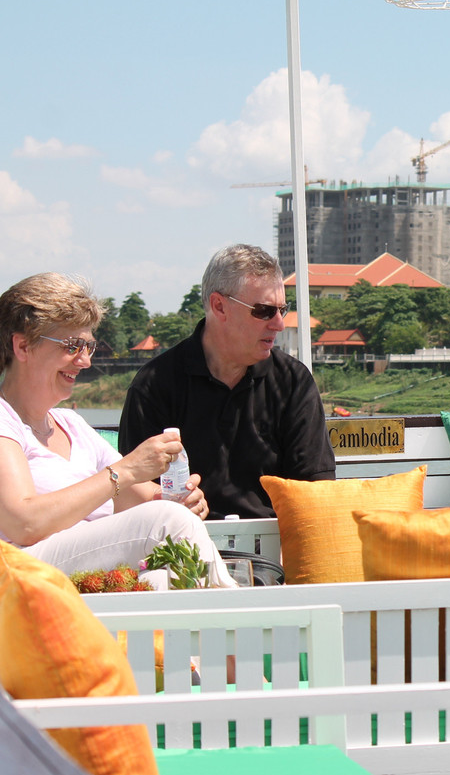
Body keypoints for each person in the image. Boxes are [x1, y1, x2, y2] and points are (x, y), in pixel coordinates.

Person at [0, 273, 236, 588]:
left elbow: (143, 502)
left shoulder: (72, 426)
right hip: (23, 576)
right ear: (23, 346)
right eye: (72, 346)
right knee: (167, 522)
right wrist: (123, 472)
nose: (84, 361)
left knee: (161, 573)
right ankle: (240, 615)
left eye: (89, 346)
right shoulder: (5, 419)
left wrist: (179, 499)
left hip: (83, 578)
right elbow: (23, 524)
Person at [119, 244, 336, 519]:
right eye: (265, 311)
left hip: (276, 550)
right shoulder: (154, 385)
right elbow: (131, 488)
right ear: (219, 306)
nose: (279, 324)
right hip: (186, 549)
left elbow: (316, 490)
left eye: (283, 309)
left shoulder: (293, 382)